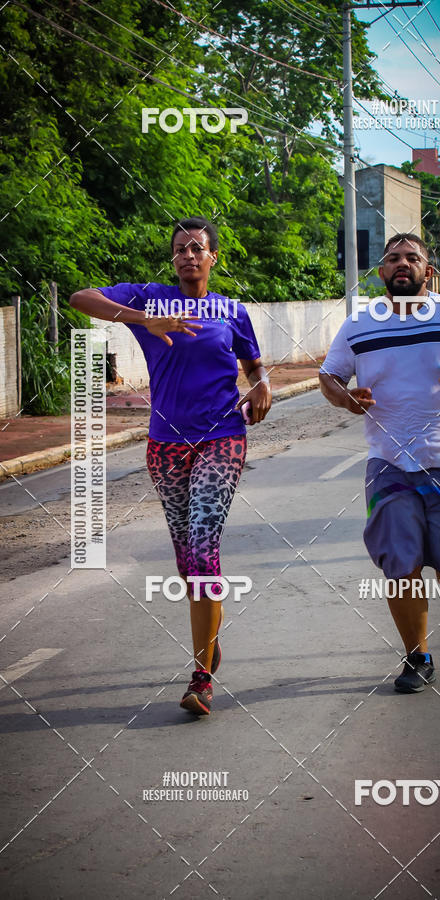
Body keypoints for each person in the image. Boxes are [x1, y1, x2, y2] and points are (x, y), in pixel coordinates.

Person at [70, 216, 271, 715]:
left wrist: (263, 384)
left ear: (213, 258)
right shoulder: (149, 298)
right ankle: (211, 634)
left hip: (222, 438)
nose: (188, 256)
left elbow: (252, 361)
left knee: (203, 546)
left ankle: (201, 677)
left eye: (197, 248)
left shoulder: (231, 310)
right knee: (187, 558)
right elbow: (81, 297)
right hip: (165, 445)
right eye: (180, 249)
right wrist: (141, 321)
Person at [319, 233, 440, 693]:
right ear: (381, 272)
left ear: (428, 271)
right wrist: (345, 399)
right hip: (389, 463)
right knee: (400, 564)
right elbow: (329, 375)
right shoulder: (360, 324)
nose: (402, 264)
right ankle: (417, 656)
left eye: (412, 258)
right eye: (393, 258)